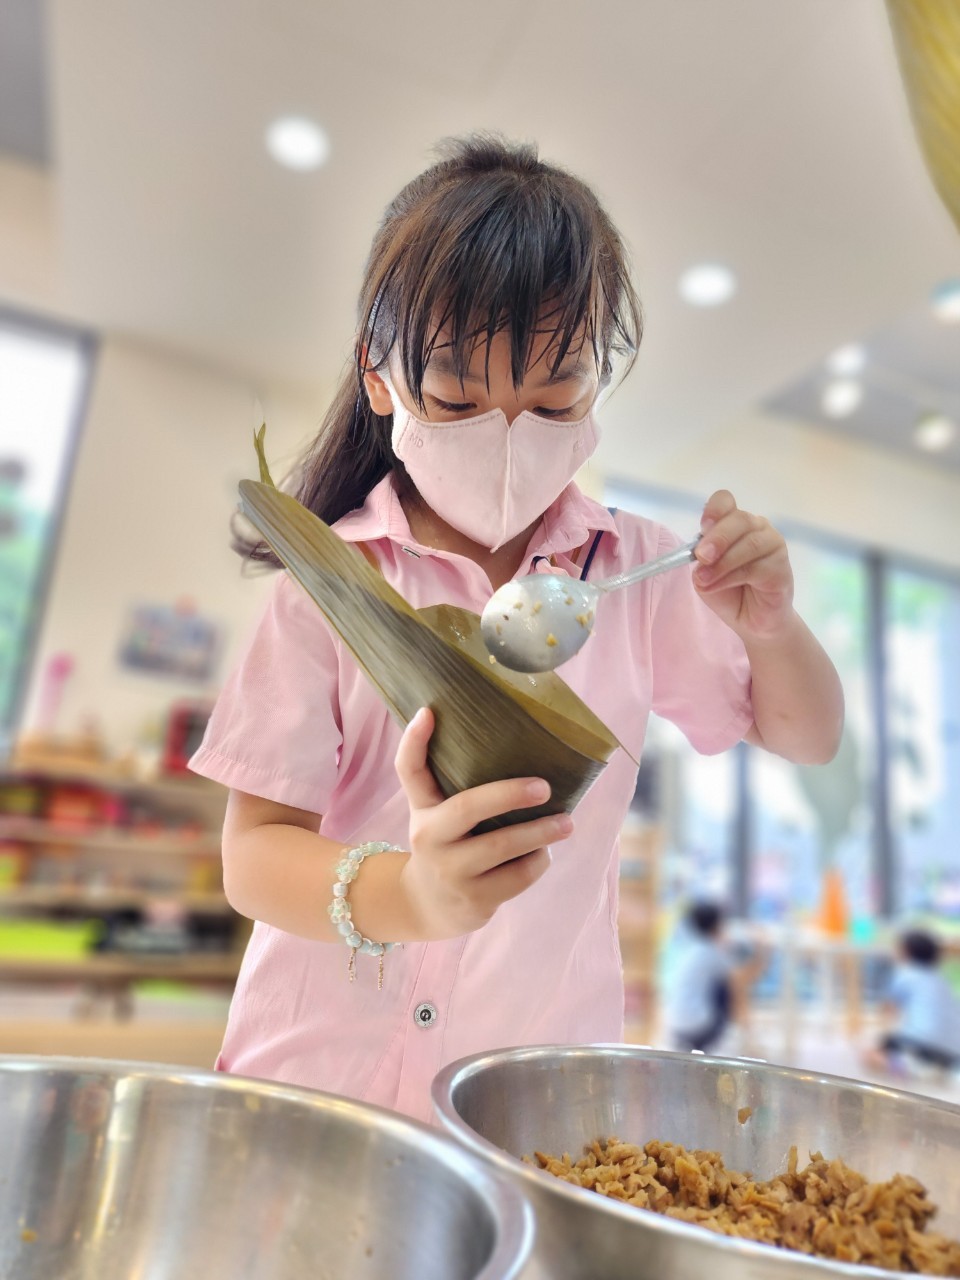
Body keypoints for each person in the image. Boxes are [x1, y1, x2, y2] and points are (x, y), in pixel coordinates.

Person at [189, 134, 844, 1124]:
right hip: (316, 1082)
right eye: (458, 398)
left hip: (525, 1098)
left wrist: (774, 625)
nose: (505, 435)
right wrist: (413, 896)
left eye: (553, 396)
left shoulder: (635, 572)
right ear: (379, 376)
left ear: (597, 378)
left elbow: (807, 734)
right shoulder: (328, 587)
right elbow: (253, 858)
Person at [866, 930, 960, 1076]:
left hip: (918, 1043)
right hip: (953, 1052)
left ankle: (905, 1066)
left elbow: (887, 1009)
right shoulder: (942, 979)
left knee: (874, 1051)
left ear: (906, 951)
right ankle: (932, 1068)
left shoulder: (905, 973)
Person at [663, 902, 734, 1054]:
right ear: (717, 926)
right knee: (725, 988)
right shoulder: (710, 951)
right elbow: (738, 978)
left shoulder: (685, 947)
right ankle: (726, 1041)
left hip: (674, 1024)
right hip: (699, 1027)